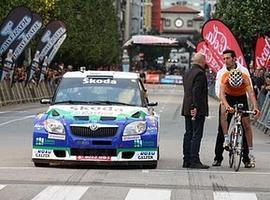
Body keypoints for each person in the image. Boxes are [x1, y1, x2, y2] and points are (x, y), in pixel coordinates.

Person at [212, 49, 259, 168]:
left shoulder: (244, 72)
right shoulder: (223, 74)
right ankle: (218, 156)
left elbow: (251, 93)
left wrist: (255, 107)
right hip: (227, 97)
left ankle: (247, 158)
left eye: (228, 58)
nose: (225, 61)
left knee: (246, 126)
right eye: (224, 59)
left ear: (234, 59)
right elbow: (220, 92)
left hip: (241, 97)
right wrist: (227, 105)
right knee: (223, 119)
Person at [181, 53, 209, 169]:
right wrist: (195, 107)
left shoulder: (187, 72)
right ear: (202, 61)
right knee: (196, 135)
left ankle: (186, 159)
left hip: (187, 107)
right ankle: (194, 160)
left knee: (188, 133)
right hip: (196, 108)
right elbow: (196, 92)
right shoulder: (200, 74)